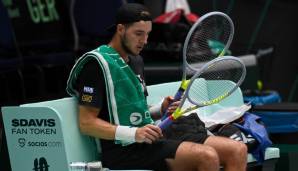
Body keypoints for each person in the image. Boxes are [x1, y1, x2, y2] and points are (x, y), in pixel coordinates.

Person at [66, 3, 247, 171]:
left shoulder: (136, 61)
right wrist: (134, 133)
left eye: (147, 34)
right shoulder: (96, 64)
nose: (144, 41)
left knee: (237, 150)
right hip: (123, 150)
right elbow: (87, 123)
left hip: (151, 139)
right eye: (138, 33)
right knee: (206, 157)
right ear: (120, 29)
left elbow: (136, 111)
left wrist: (160, 109)